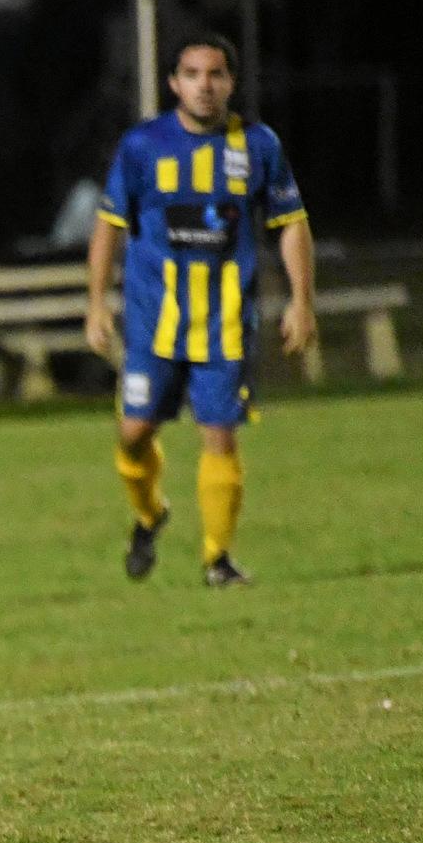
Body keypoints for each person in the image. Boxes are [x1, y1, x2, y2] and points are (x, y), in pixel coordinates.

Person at [85, 34, 316, 586]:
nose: (204, 85)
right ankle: (150, 515)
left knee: (219, 434)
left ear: (231, 83)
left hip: (225, 324)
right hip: (152, 324)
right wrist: (96, 302)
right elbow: (108, 227)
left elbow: (291, 224)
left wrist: (302, 300)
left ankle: (218, 559)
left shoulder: (257, 146)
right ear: (174, 83)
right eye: (192, 74)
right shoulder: (143, 146)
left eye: (215, 74)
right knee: (133, 434)